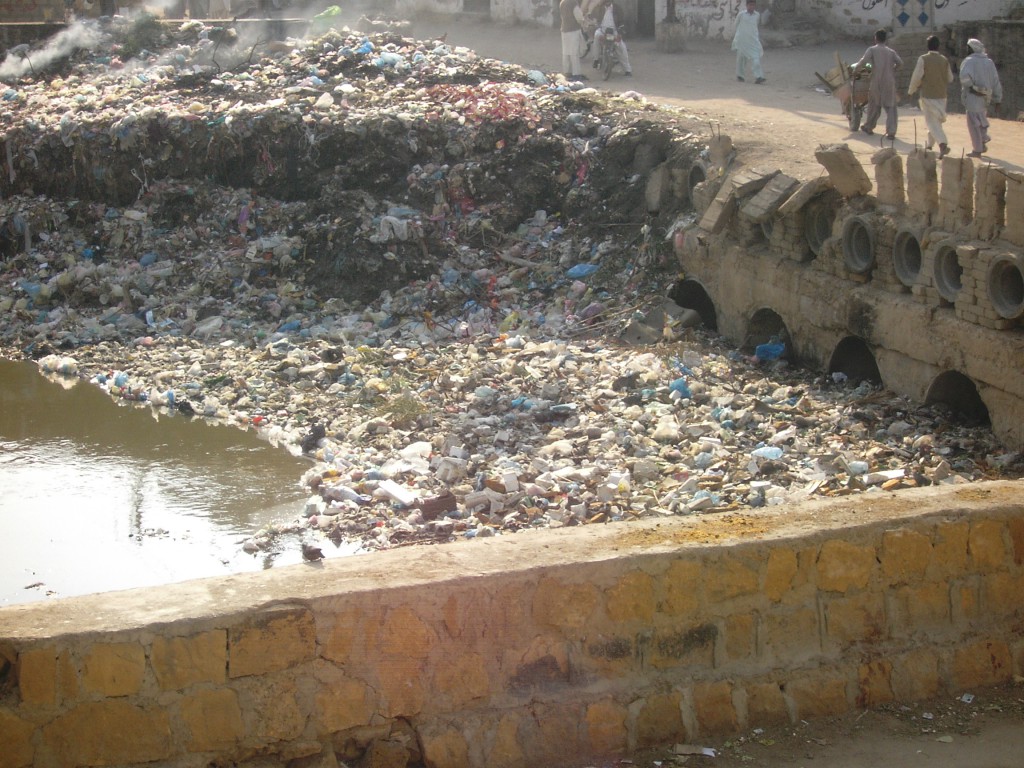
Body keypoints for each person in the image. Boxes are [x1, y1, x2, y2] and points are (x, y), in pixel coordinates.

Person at [907, 35, 953, 158]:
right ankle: (929, 145)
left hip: (928, 95)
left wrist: (911, 91)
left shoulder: (923, 59)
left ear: (927, 46)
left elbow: (916, 77)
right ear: (938, 46)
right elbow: (950, 78)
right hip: (942, 96)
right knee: (935, 121)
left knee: (931, 122)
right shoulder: (944, 60)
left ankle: (943, 144)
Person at [853, 28, 903, 139]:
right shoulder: (891, 51)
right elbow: (900, 63)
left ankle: (869, 127)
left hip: (876, 81)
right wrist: (893, 70)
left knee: (874, 105)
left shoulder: (872, 50)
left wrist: (856, 70)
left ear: (876, 39)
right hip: (889, 81)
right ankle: (891, 132)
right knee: (891, 107)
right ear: (885, 39)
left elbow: (863, 61)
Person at [959, 37, 1003, 158]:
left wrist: (972, 88)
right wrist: (998, 99)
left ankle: (977, 149)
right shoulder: (989, 62)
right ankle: (982, 142)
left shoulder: (968, 61)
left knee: (973, 124)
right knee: (981, 120)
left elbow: (964, 78)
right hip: (985, 98)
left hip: (973, 97)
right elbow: (995, 81)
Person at [591, 0, 632, 76]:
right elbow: (594, 21)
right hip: (602, 30)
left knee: (621, 47)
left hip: (614, 31)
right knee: (596, 36)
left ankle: (627, 69)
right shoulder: (599, 8)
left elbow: (622, 23)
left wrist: (620, 34)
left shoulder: (617, 9)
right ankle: (596, 60)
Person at [732, 0, 765, 84]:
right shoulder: (741, 15)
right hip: (742, 40)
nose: (752, 7)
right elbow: (736, 25)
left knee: (756, 59)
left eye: (753, 5)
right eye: (750, 5)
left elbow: (755, 26)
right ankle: (740, 75)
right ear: (747, 6)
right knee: (741, 59)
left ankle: (759, 77)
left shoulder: (757, 15)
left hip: (753, 41)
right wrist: (737, 37)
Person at [560, 0, 588, 82]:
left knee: (566, 52)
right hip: (573, 30)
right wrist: (583, 21)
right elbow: (579, 17)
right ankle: (576, 74)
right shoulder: (573, 3)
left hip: (564, 30)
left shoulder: (562, 2)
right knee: (574, 53)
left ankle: (567, 72)